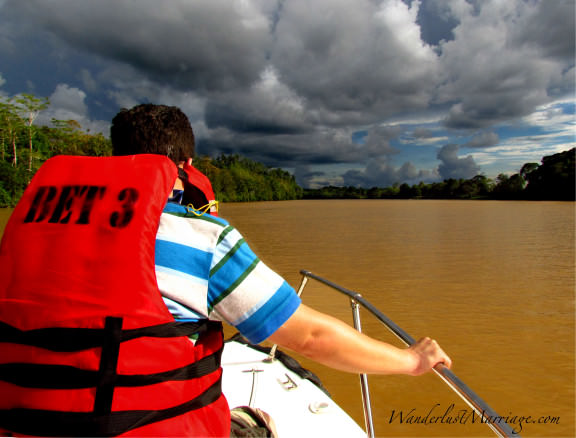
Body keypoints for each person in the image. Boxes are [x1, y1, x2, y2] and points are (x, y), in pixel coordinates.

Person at [0, 104, 451, 437]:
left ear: (117, 158)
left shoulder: (25, 237)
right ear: (187, 166)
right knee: (258, 427)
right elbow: (310, 338)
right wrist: (412, 361)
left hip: (27, 427)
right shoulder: (200, 238)